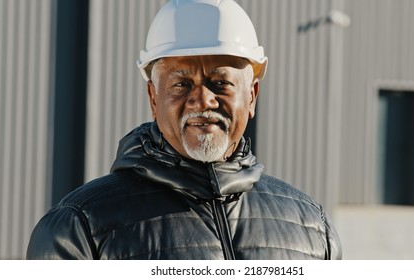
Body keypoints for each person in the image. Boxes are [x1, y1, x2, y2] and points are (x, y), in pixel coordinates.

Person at [26, 0, 342, 260]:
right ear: (153, 97)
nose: (202, 100)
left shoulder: (312, 228)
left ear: (252, 96)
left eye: (221, 83)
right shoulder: (79, 228)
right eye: (181, 84)